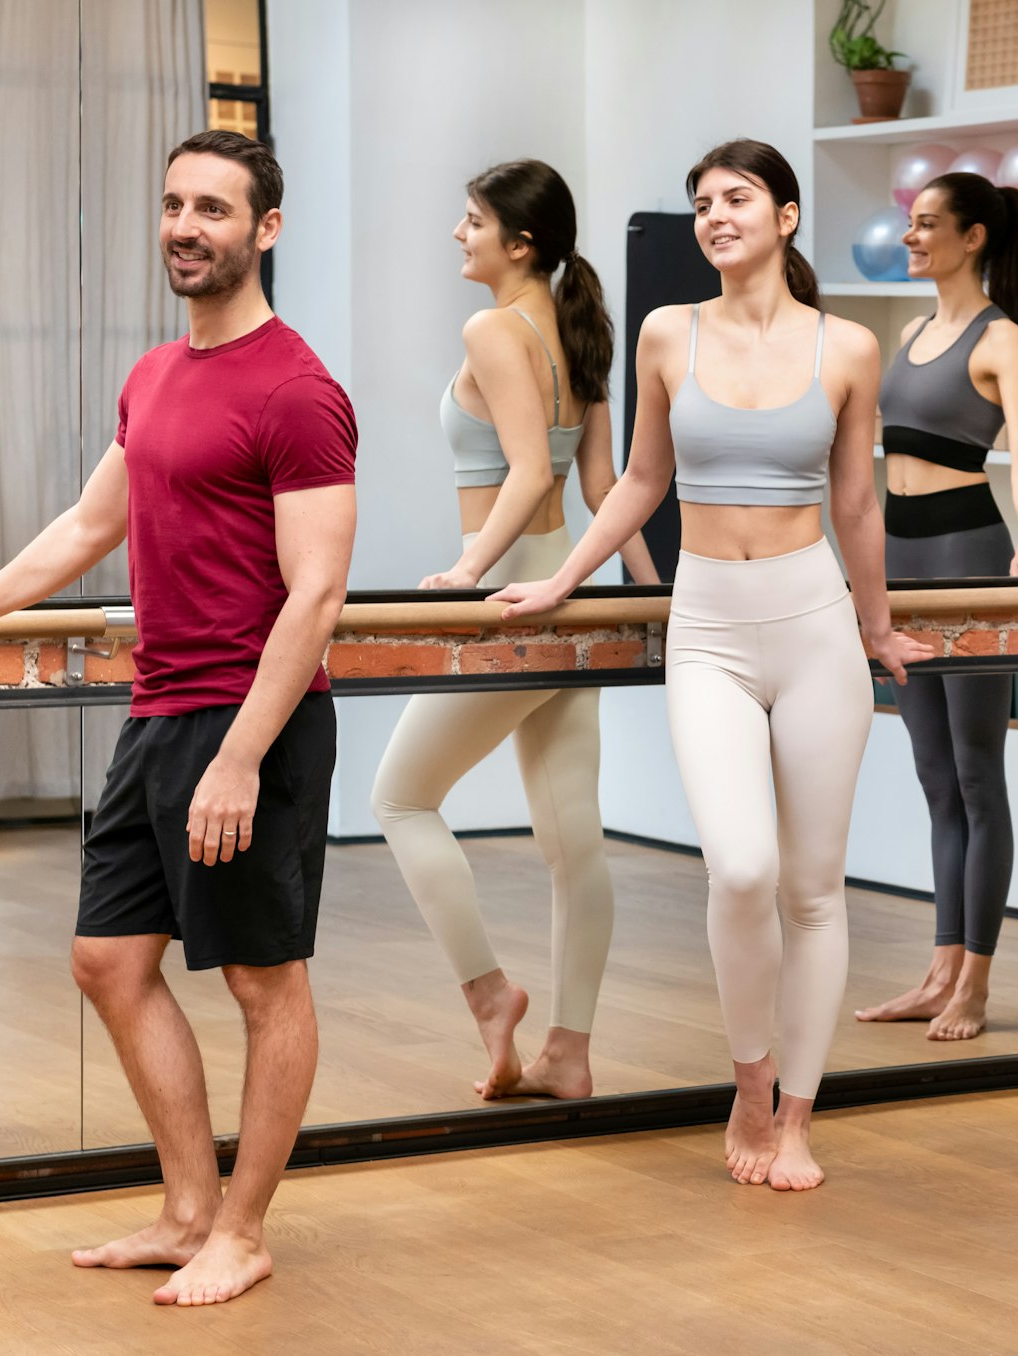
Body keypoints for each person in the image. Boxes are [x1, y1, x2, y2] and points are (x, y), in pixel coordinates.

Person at [0, 130, 357, 1301]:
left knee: (261, 981)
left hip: (252, 725)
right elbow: (86, 531)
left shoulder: (298, 390)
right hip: (159, 714)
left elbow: (319, 591)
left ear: (265, 231)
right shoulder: (154, 376)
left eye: (214, 210)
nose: (186, 227)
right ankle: (189, 1210)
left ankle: (243, 1228)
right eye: (173, 204)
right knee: (104, 959)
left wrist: (242, 756)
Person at [490, 139, 933, 1190]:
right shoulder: (665, 334)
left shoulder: (847, 349)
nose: (713, 215)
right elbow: (641, 480)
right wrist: (562, 581)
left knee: (814, 889)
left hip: (813, 622)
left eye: (735, 198)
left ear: (784, 216)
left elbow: (857, 504)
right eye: (700, 203)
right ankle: (747, 1076)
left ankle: (797, 1118)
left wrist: (874, 629)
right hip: (709, 630)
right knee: (739, 868)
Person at [371, 160, 656, 1102]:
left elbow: (533, 476)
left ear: (519, 243)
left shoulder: (494, 328)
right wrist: (644, 591)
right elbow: (603, 490)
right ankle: (568, 1055)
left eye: (473, 221)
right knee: (575, 839)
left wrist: (465, 573)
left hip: (518, 599)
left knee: (401, 800)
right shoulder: (577, 330)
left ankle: (492, 995)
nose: (460, 234)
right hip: (572, 590)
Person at [854, 171, 1018, 1043]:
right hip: (902, 561)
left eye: (927, 225)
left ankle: (975, 980)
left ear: (973, 237)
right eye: (909, 223)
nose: (911, 237)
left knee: (978, 774)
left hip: (969, 557)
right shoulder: (907, 331)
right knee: (934, 775)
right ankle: (938, 968)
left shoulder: (1002, 337)